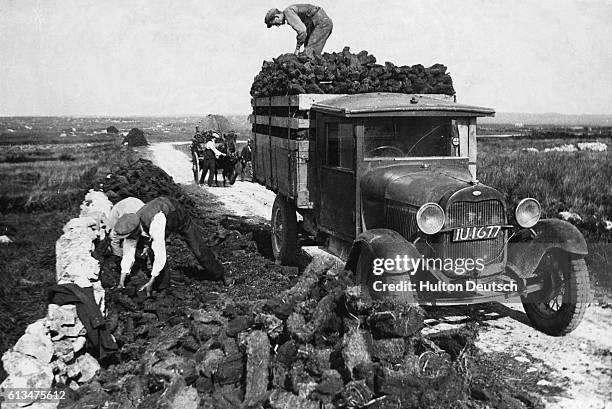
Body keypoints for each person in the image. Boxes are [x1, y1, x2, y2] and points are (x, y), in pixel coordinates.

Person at [112, 196, 228, 295]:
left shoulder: (154, 221)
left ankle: (220, 274)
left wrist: (150, 281)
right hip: (162, 220)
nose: (131, 238)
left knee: (198, 250)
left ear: (136, 229)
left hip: (177, 216)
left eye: (132, 235)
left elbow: (160, 251)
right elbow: (128, 254)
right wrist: (121, 282)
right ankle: (163, 286)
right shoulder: (132, 226)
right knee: (151, 250)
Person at [264, 4, 333, 57]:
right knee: (308, 51)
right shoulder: (290, 11)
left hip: (321, 23)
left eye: (275, 23)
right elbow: (305, 31)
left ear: (277, 16)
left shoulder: (288, 13)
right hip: (319, 22)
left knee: (309, 54)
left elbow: (302, 31)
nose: (278, 25)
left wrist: (297, 48)